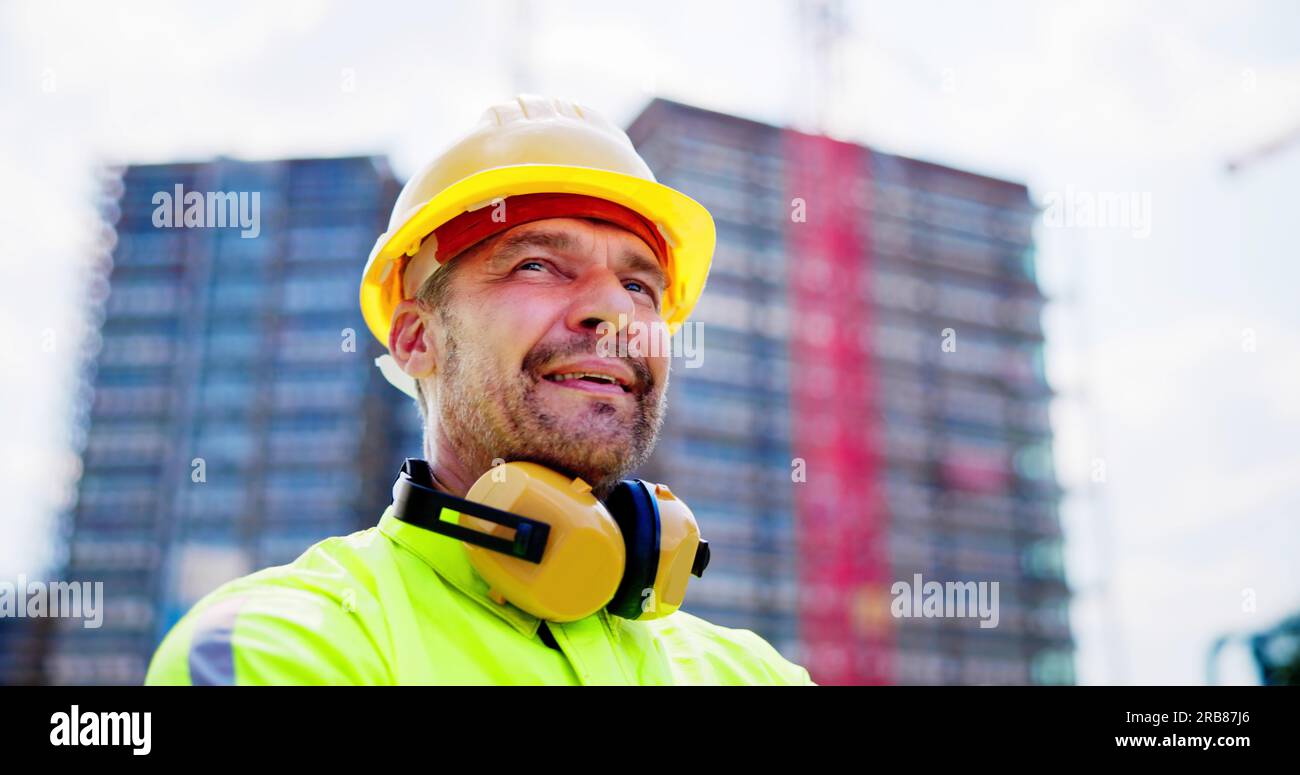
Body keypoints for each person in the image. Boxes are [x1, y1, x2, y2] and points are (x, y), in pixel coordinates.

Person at [145, 95, 815, 685]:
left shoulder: (756, 674)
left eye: (639, 285)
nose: (615, 312)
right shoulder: (280, 647)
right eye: (537, 264)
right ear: (414, 338)